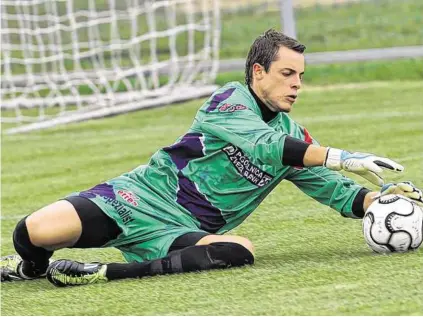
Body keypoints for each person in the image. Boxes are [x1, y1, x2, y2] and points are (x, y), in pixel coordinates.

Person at [1, 29, 422, 287]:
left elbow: (331, 189)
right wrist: (341, 156)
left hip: (183, 232)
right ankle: (31, 270)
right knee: (32, 230)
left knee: (238, 250)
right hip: (137, 199)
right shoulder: (228, 101)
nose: (297, 85)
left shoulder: (294, 137)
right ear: (258, 72)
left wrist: (383, 201)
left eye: (301, 77)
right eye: (287, 74)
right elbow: (263, 144)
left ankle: (100, 273)